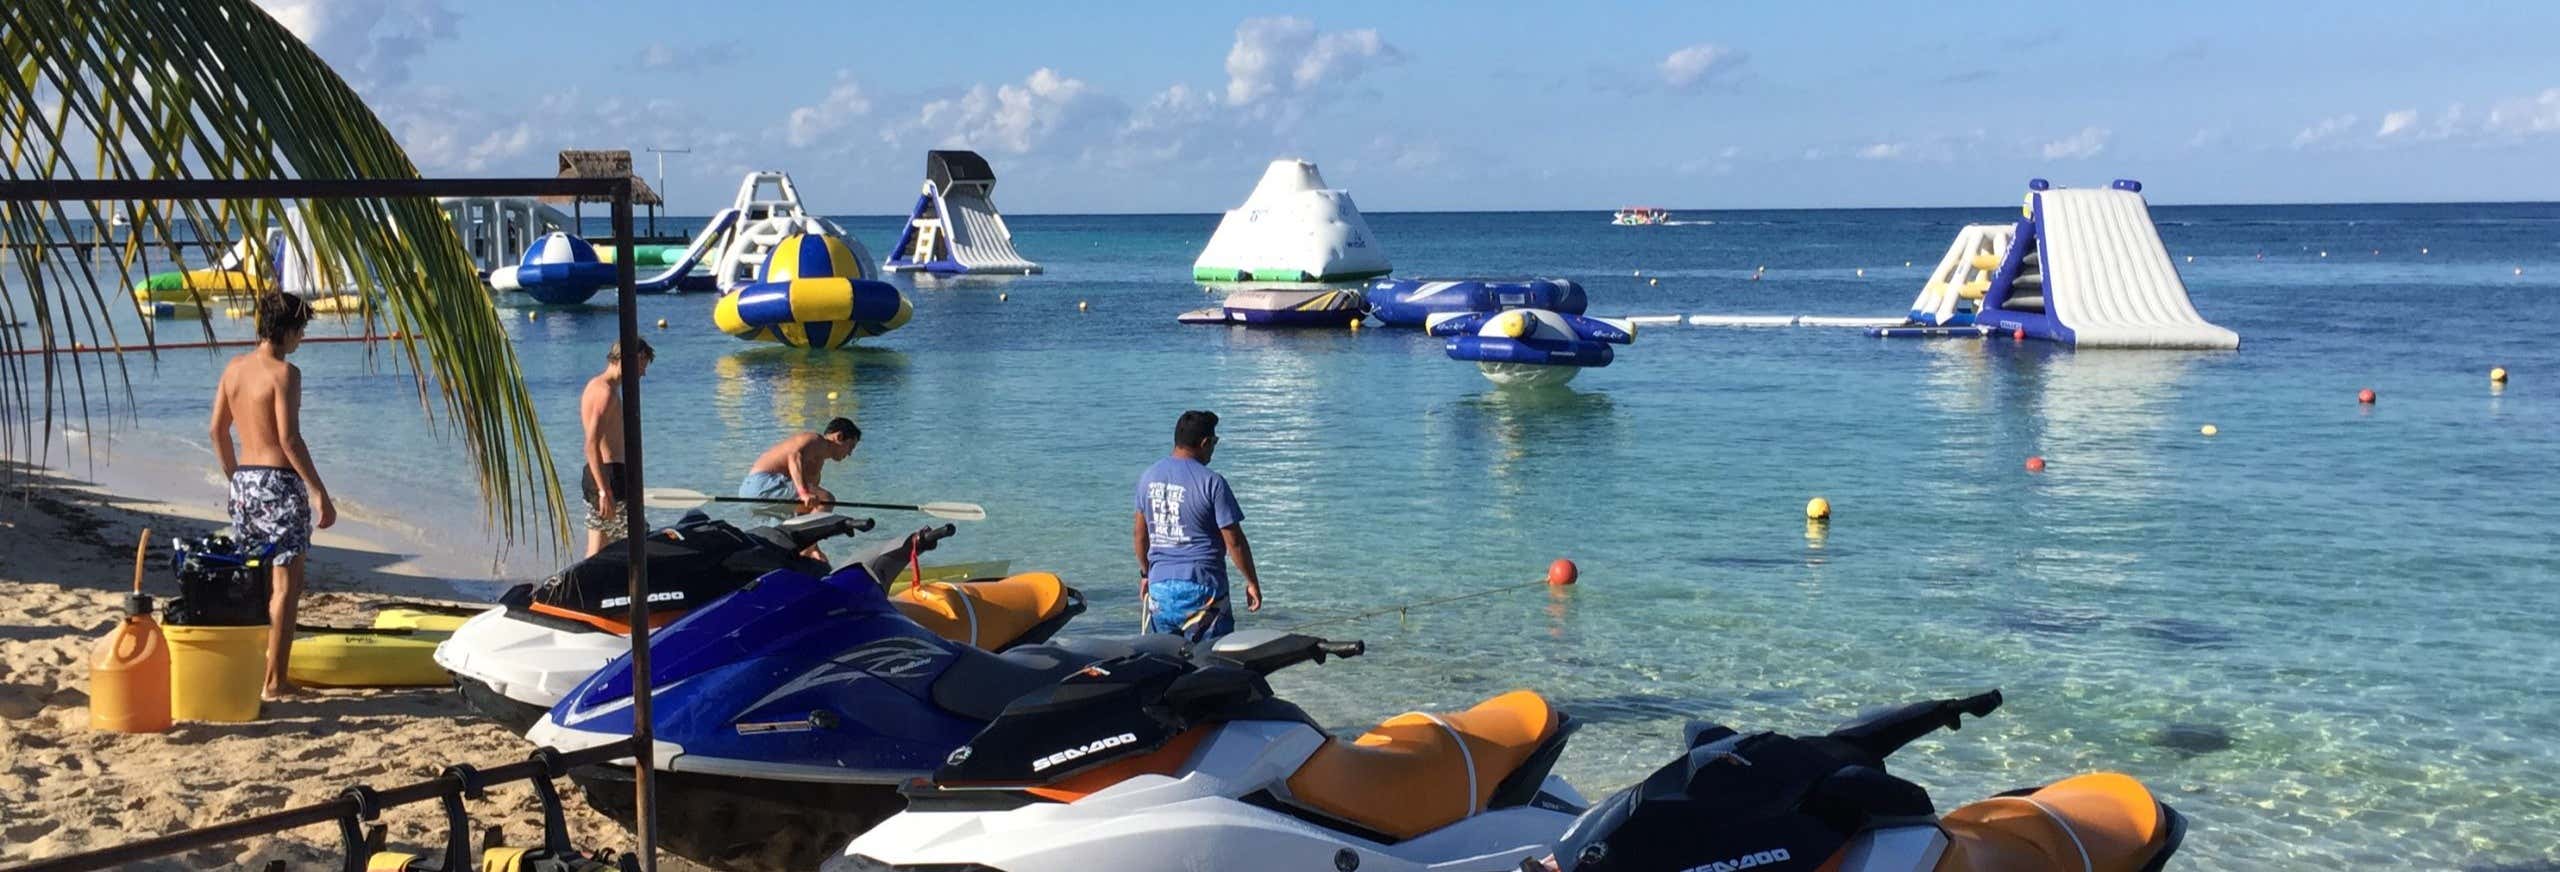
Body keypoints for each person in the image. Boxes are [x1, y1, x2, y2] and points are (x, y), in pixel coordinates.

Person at [209, 292, 334, 700]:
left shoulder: (234, 369)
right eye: (302, 330)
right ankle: (275, 682)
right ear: (289, 330)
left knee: (256, 581)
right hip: (279, 484)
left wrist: (235, 477)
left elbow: (217, 430)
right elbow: (289, 439)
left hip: (245, 482)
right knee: (286, 586)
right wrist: (318, 492)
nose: (303, 338)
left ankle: (253, 672)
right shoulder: (285, 374)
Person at [1133, 410, 1263, 641]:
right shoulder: (1212, 482)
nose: (1213, 447)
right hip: (1203, 590)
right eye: (1214, 442)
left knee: (1167, 663)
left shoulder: (1148, 477)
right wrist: (1251, 581)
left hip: (1160, 590)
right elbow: (1234, 542)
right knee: (1211, 666)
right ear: (1204, 443)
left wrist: (1146, 574)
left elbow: (1140, 535)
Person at [740, 417, 861, 558]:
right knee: (827, 499)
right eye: (851, 446)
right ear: (839, 437)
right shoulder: (816, 440)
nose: (850, 453)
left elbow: (807, 515)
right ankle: (805, 551)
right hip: (761, 485)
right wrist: (803, 492)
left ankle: (803, 553)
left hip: (753, 494)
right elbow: (794, 456)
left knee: (788, 539)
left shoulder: (816, 465)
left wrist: (815, 547)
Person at [579, 339, 651, 557]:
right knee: (640, 546)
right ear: (632, 359)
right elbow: (591, 444)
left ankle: (580, 590)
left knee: (597, 551)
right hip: (610, 478)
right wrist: (604, 490)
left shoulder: (595, 385)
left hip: (600, 476)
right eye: (642, 366)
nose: (642, 374)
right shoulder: (605, 394)